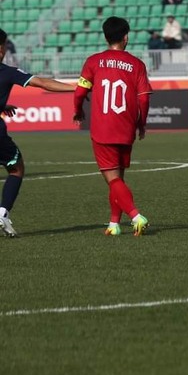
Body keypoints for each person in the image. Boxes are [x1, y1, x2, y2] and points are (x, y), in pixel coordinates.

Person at [72, 17, 153, 236]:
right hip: (126, 128)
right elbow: (144, 99)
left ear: (106, 37)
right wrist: (141, 123)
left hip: (103, 129)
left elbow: (80, 91)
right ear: (125, 37)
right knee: (118, 179)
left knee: (113, 179)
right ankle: (114, 223)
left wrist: (78, 110)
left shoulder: (93, 62)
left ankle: (136, 216)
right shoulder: (137, 64)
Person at [0, 30, 76, 237]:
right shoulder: (7, 71)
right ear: (1, 48)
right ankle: (2, 212)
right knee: (16, 169)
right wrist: (77, 88)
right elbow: (42, 83)